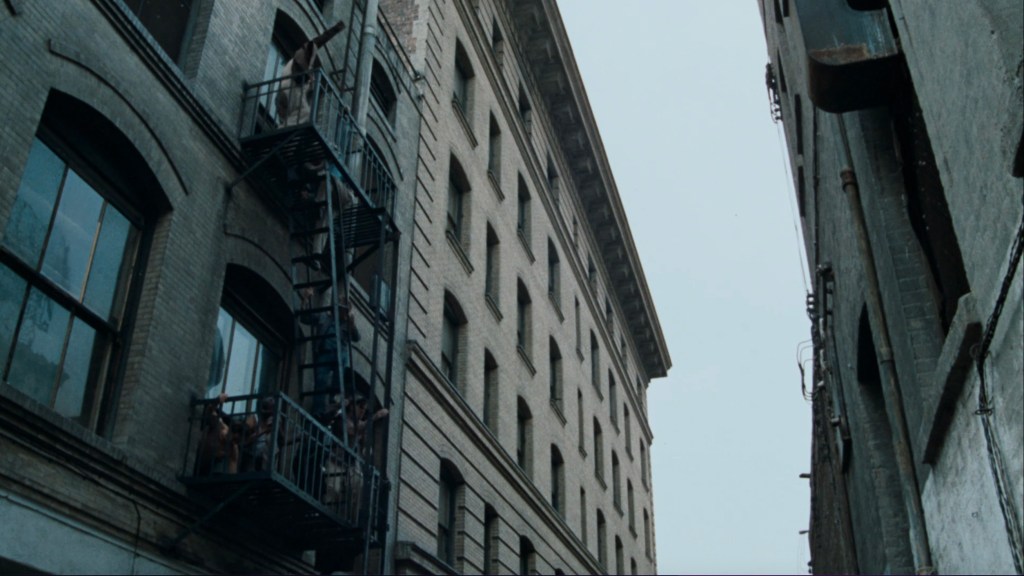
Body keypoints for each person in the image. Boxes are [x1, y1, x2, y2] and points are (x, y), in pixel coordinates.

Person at [300, 288, 361, 417]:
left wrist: (352, 323)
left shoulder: (347, 324)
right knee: (321, 380)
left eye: (344, 309)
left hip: (340, 355)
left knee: (338, 380)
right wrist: (305, 300)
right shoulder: (324, 317)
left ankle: (333, 401)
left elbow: (357, 337)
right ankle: (319, 411)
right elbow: (305, 318)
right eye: (339, 307)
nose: (341, 311)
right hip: (325, 353)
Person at [196, 393, 239, 475]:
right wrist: (217, 400)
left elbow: (233, 464)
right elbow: (210, 410)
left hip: (205, 470)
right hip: (197, 458)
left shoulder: (232, 447)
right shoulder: (218, 425)